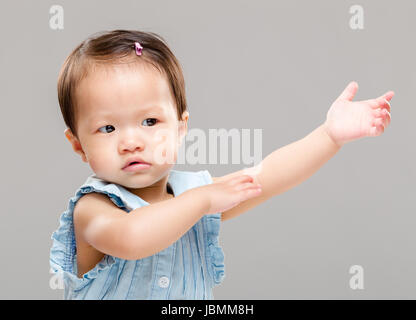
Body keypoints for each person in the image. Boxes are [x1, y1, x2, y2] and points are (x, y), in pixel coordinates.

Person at [50, 29, 394, 299]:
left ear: (181, 127)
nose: (132, 141)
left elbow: (268, 177)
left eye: (150, 122)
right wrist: (203, 200)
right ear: (79, 144)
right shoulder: (93, 209)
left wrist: (329, 136)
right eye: (108, 128)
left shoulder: (195, 192)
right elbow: (133, 236)